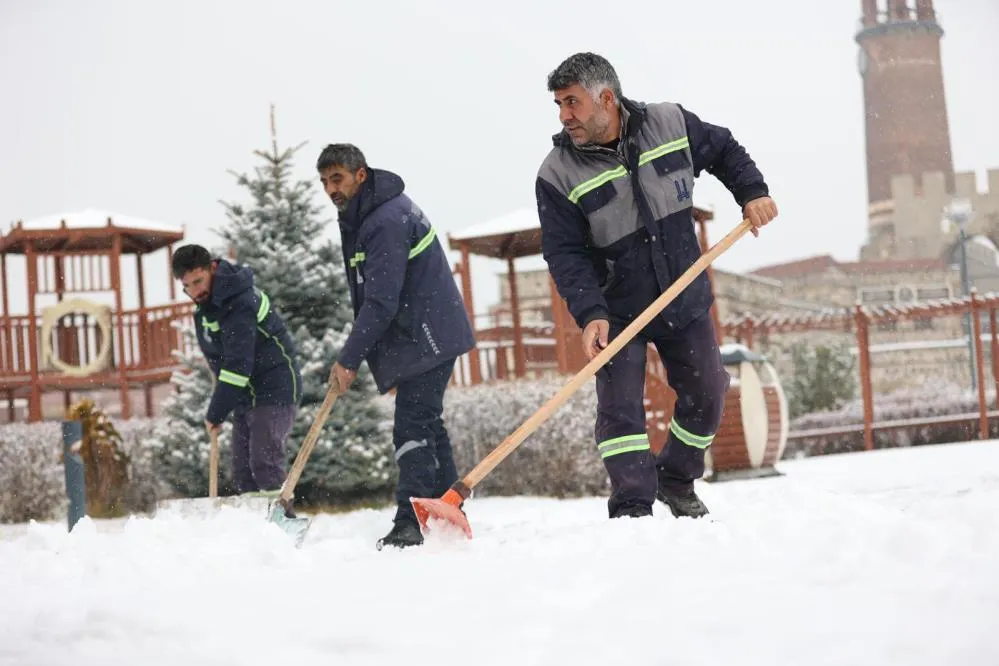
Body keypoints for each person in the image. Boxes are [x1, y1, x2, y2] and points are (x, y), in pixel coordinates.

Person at [535, 52, 779, 520]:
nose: (565, 115)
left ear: (606, 98)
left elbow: (725, 150)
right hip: (616, 310)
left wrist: (753, 192)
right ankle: (632, 507)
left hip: (681, 293)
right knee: (622, 412)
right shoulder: (557, 173)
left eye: (572, 102)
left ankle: (677, 478)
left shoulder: (669, 123)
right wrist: (590, 313)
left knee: (708, 389)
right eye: (559, 105)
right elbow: (564, 253)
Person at [316, 143, 476, 550]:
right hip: (426, 333)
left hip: (428, 335)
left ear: (360, 175)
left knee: (412, 427)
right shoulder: (369, 213)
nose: (331, 188)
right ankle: (445, 509)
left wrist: (349, 359)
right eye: (324, 182)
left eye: (337, 179)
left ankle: (411, 520)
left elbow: (381, 300)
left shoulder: (384, 219)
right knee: (427, 423)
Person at [172, 244, 303, 498]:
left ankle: (280, 526)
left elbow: (238, 366)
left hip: (275, 386)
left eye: (198, 281)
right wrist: (224, 402)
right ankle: (254, 531)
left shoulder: (240, 301)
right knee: (244, 472)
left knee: (264, 463)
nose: (194, 291)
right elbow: (219, 361)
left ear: (212, 268)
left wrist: (216, 412)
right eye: (187, 286)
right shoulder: (206, 307)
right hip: (246, 393)